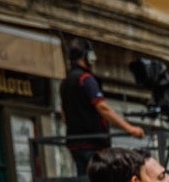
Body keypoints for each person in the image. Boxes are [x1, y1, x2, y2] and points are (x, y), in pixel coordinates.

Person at [60, 38, 143, 173]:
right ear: (87, 57)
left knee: (83, 179)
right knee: (101, 180)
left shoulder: (65, 82)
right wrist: (130, 129)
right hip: (93, 143)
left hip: (75, 144)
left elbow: (64, 116)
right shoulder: (86, 79)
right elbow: (103, 107)